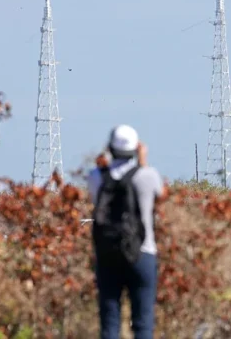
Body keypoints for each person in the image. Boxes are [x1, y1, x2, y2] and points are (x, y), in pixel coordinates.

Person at [87, 124, 164, 339]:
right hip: (142, 253)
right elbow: (160, 194)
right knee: (142, 324)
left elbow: (95, 194)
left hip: (108, 254)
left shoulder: (96, 177)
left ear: (109, 148)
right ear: (136, 148)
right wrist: (143, 161)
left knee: (110, 322)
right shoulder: (148, 176)